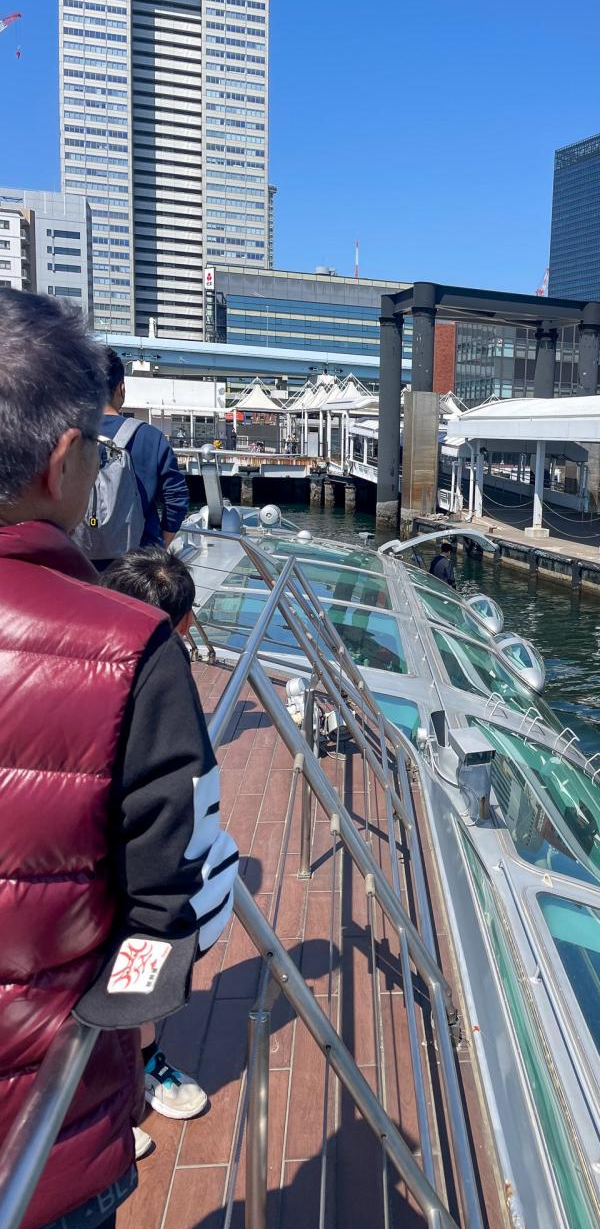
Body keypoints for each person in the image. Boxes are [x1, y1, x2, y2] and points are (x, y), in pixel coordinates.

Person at [0, 291, 238, 1229]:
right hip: (44, 1132)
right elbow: (164, 906)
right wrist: (117, 1032)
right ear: (64, 462)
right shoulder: (135, 652)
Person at [98, 548, 209, 1128]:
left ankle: (129, 1070)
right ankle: (133, 1073)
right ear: (184, 621)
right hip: (131, 867)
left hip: (83, 858)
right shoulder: (166, 670)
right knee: (131, 959)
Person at [101, 348, 189, 552]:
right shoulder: (150, 437)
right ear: (121, 388)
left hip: (77, 560)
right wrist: (160, 544)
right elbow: (177, 498)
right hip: (137, 560)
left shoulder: (65, 435)